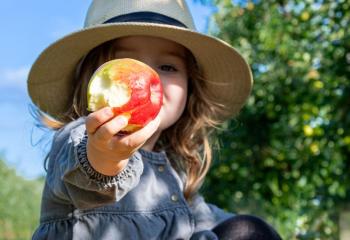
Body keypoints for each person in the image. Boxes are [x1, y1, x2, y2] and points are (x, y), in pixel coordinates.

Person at [28, 0, 282, 239]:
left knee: (249, 229)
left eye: (168, 67)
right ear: (92, 79)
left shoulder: (171, 174)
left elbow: (205, 219)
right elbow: (86, 169)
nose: (148, 79)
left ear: (189, 88)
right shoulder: (80, 138)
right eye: (126, 64)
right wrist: (104, 157)